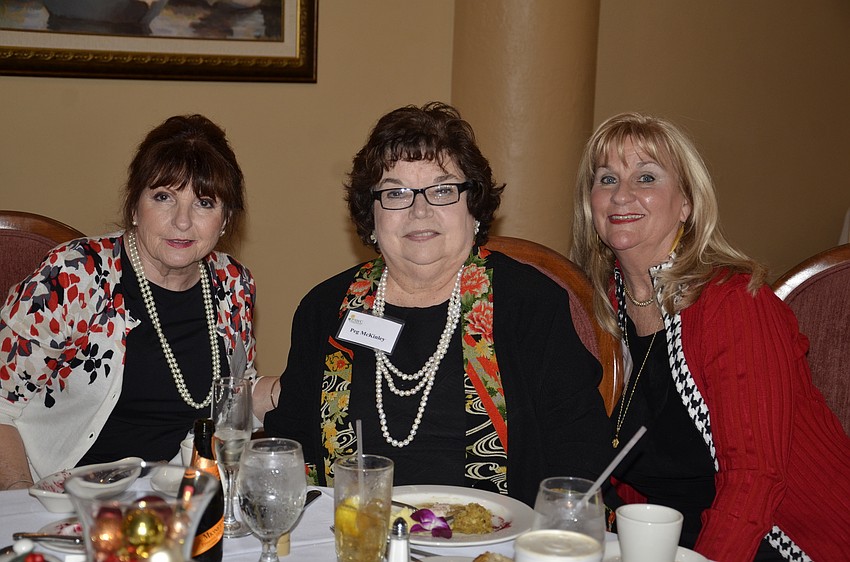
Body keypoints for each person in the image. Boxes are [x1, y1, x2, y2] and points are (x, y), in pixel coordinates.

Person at [262, 102, 610, 506]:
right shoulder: (325, 309)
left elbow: (580, 453)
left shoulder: (530, 304)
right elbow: (293, 448)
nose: (419, 210)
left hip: (494, 543)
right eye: (396, 193)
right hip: (357, 537)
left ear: (473, 207)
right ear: (371, 215)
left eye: (443, 190)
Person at [571, 112, 850, 561]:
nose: (621, 194)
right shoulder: (603, 307)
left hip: (775, 540)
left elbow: (754, 480)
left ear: (686, 204)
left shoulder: (734, 303)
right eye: (606, 179)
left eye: (646, 177)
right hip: (662, 541)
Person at [0, 114, 257, 490]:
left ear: (225, 219)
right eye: (163, 197)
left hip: (167, 499)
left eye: (204, 202)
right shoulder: (76, 273)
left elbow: (233, 404)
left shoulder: (234, 284)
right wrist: (18, 504)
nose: (182, 222)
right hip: (52, 496)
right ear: (135, 206)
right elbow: (2, 403)